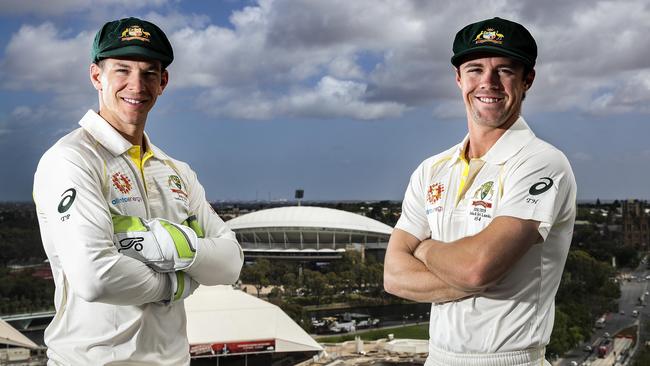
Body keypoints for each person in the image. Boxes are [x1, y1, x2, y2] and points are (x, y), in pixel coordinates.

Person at [33, 17, 244, 365]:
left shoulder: (176, 171)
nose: (136, 84)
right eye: (122, 70)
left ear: (163, 82)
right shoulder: (71, 160)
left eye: (149, 72)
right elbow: (95, 278)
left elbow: (231, 263)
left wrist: (182, 247)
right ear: (96, 76)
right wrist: (176, 284)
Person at [383, 17, 576, 366]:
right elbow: (394, 277)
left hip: (512, 359)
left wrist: (423, 249)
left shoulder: (541, 162)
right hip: (439, 358)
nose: (488, 83)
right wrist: (477, 277)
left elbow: (476, 269)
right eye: (474, 69)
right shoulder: (431, 170)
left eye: (504, 70)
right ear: (459, 79)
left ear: (527, 79)